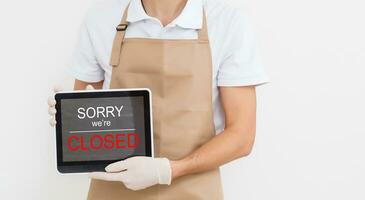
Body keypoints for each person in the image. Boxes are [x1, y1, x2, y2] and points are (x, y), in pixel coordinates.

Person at [48, 0, 269, 199]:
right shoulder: (101, 19)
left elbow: (242, 136)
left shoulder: (226, 22)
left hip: (195, 190)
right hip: (114, 189)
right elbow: (86, 117)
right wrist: (70, 119)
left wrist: (169, 170)